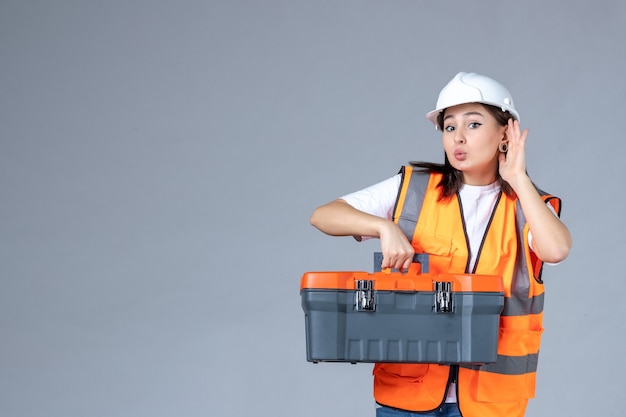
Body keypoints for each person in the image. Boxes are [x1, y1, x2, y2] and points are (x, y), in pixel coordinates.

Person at [309, 72, 572, 417]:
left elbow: (556, 250)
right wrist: (382, 227)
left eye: (473, 124)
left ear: (505, 133)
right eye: (449, 127)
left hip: (491, 400)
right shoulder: (415, 188)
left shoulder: (530, 206)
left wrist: (518, 179)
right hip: (409, 393)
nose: (458, 138)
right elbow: (324, 215)